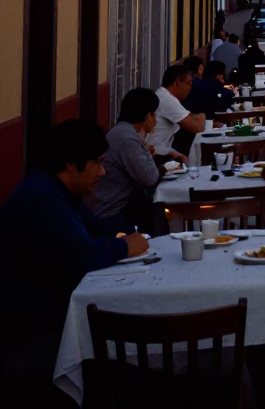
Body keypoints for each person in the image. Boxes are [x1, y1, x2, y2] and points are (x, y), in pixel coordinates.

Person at [0, 120, 149, 399]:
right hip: (31, 331)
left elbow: (95, 228)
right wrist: (124, 246)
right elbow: (83, 255)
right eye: (98, 162)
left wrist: (130, 231)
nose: (103, 172)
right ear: (71, 164)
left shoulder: (62, 193)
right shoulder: (41, 198)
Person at [89, 88, 180, 231]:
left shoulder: (123, 132)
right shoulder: (127, 139)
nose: (155, 120)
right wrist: (145, 145)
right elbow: (149, 178)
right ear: (147, 117)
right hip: (109, 215)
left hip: (119, 208)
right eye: (154, 114)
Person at [152, 64, 206, 156]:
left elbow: (189, 116)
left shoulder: (164, 95)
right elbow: (197, 128)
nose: (189, 89)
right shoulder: (166, 99)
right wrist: (202, 116)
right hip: (156, 154)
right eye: (189, 83)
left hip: (163, 151)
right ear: (177, 83)